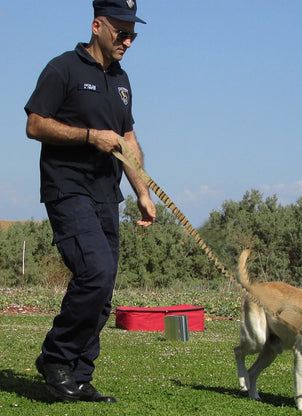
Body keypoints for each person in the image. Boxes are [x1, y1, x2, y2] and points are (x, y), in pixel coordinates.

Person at [24, 0, 156, 403]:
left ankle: (79, 376)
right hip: (67, 190)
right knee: (94, 272)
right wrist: (88, 136)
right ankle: (56, 358)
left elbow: (128, 139)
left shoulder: (121, 79)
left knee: (103, 289)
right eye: (122, 31)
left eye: (133, 33)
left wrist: (142, 192)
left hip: (106, 195)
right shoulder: (62, 68)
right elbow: (34, 124)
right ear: (97, 25)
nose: (128, 40)